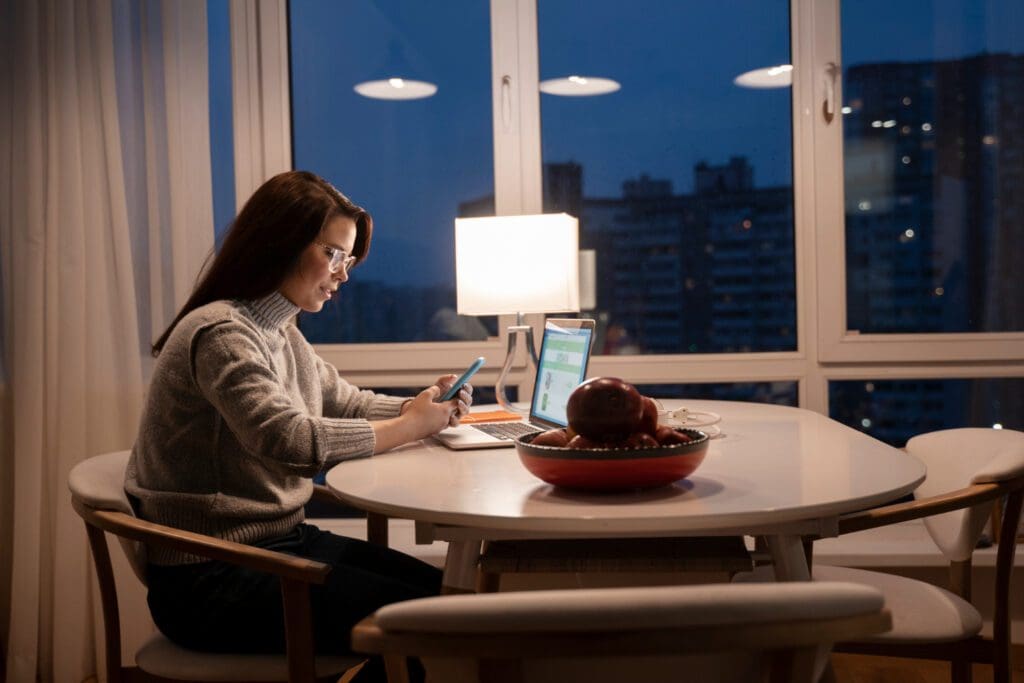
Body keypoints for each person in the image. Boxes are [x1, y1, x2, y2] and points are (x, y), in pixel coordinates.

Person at [125, 170, 471, 681]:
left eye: (348, 259)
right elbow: (289, 441)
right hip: (211, 578)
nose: (344, 274)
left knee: (450, 600)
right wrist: (413, 428)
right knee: (427, 621)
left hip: (274, 547)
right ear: (281, 243)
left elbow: (343, 401)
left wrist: (418, 408)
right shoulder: (221, 333)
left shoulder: (277, 329)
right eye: (334, 254)